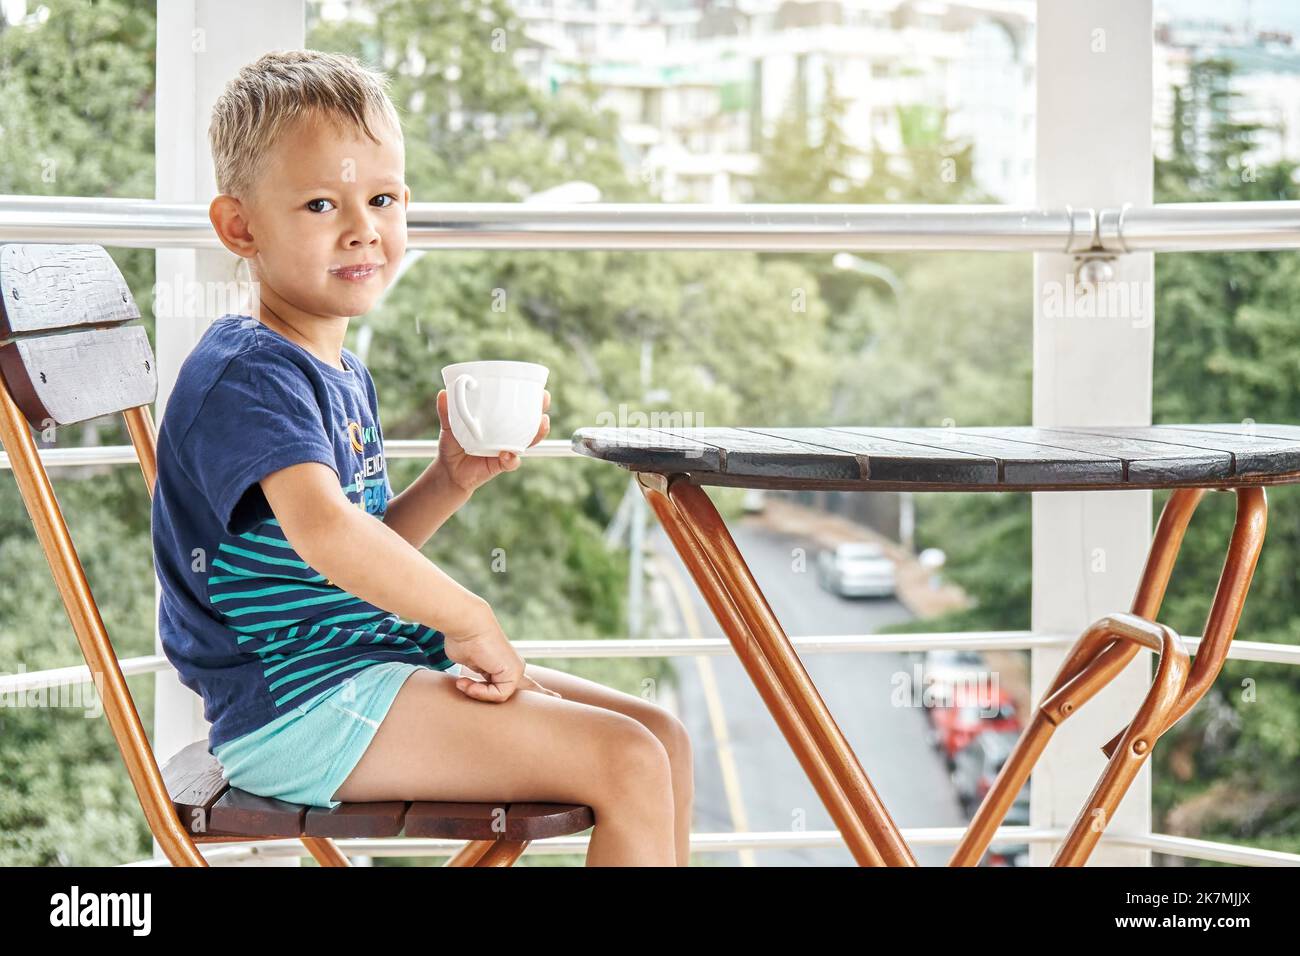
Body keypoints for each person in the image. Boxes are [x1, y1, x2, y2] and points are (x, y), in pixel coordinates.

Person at [151, 49, 691, 866]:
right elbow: (328, 533)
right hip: (295, 709)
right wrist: (467, 617)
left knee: (660, 735)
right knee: (626, 760)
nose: (362, 227)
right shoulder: (248, 373)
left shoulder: (337, 369)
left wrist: (450, 479)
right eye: (321, 203)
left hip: (367, 671)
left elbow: (353, 555)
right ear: (241, 226)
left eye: (382, 198)